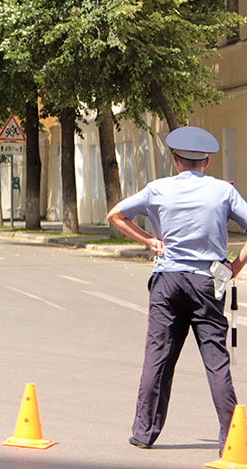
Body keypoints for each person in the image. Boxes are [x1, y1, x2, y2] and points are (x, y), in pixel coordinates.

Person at [107, 126, 247, 452]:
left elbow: (116, 215)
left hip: (167, 282)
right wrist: (235, 268)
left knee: (157, 357)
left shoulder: (158, 189)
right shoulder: (223, 192)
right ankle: (232, 437)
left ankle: (144, 432)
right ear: (207, 162)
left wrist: (149, 240)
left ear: (175, 160)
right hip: (208, 282)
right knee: (216, 361)